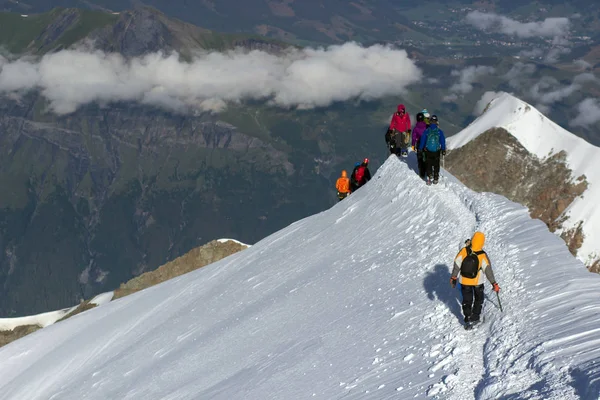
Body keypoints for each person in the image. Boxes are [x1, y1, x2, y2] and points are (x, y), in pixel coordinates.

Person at [450, 232, 500, 328]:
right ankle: (475, 317)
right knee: (478, 299)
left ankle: (467, 317)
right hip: (478, 282)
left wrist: (453, 277)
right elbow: (488, 270)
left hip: (464, 281)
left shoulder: (464, 251)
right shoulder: (482, 255)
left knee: (467, 300)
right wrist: (494, 283)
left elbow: (457, 264)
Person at [418, 114, 446, 185]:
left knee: (428, 164)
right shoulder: (439, 132)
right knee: (436, 164)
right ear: (436, 122)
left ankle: (429, 176)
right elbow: (442, 141)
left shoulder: (426, 131)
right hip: (436, 151)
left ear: (430, 122)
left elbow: (423, 141)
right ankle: (436, 178)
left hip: (428, 151)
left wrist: (420, 149)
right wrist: (443, 149)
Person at [411, 112, 428, 179]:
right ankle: (428, 170)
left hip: (419, 144)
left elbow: (413, 137)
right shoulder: (426, 126)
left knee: (420, 159)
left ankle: (422, 173)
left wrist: (413, 145)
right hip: (426, 144)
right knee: (427, 157)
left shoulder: (416, 128)